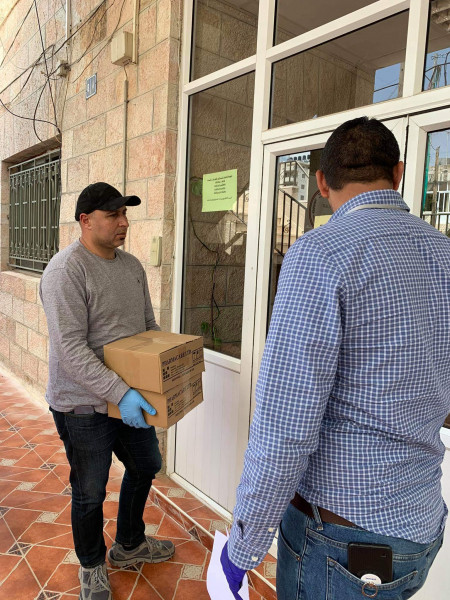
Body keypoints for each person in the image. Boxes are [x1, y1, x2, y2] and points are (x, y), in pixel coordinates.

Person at [221, 117, 450, 599]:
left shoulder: (319, 254)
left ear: (322, 183)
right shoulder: (444, 253)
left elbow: (286, 426)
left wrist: (242, 545)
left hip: (342, 539)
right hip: (420, 525)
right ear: (398, 172)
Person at [40, 182, 175, 600]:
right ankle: (92, 565)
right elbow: (71, 351)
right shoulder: (66, 272)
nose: (124, 222)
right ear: (85, 220)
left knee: (146, 464)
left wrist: (166, 367)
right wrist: (121, 392)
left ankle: (129, 544)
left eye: (125, 213)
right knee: (90, 490)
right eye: (114, 214)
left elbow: (147, 327)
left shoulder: (131, 266)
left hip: (127, 400)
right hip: (82, 405)